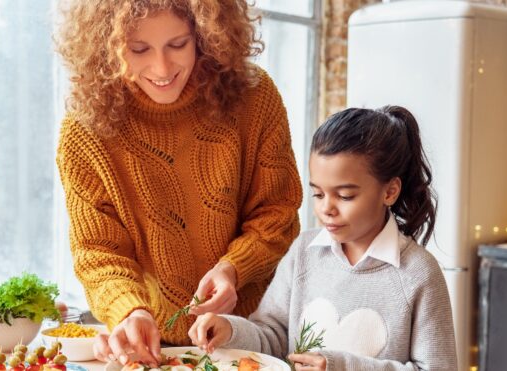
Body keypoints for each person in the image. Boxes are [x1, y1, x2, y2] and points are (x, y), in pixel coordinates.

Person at [54, 0, 302, 367]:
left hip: (254, 335)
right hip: (153, 346)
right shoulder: (85, 131)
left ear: (206, 35)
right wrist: (128, 310)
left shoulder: (255, 98)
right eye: (139, 50)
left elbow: (277, 213)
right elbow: (98, 252)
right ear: (107, 45)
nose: (162, 67)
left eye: (178, 44)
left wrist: (234, 269)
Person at [189, 106, 457, 370]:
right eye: (318, 194)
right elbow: (272, 335)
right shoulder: (304, 251)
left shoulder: (419, 274)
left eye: (345, 196)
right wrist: (230, 329)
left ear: (389, 192)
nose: (326, 208)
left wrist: (339, 367)